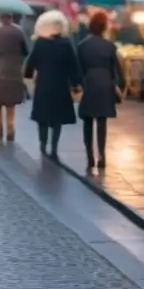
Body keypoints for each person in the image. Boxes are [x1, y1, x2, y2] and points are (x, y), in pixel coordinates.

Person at [24, 11, 82, 160]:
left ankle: (42, 144)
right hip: (61, 84)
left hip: (43, 84)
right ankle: (54, 147)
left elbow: (30, 64)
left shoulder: (40, 43)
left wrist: (28, 77)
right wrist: (76, 83)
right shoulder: (66, 44)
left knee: (42, 117)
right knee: (57, 119)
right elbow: (73, 66)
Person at [76, 11, 125, 170]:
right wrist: (120, 86)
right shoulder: (109, 46)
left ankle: (90, 156)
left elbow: (78, 69)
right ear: (104, 27)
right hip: (105, 83)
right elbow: (117, 69)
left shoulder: (82, 45)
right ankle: (102, 156)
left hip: (89, 82)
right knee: (102, 122)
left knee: (88, 121)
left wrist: (78, 85)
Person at [0, 13, 29, 142]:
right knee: (11, 102)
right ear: (11, 18)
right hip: (14, 69)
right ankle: (10, 128)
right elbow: (26, 51)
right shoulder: (19, 31)